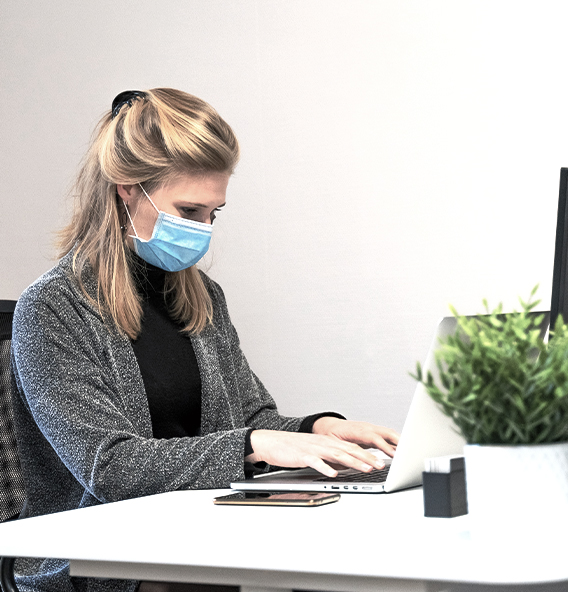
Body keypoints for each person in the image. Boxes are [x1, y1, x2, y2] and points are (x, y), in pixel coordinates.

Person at [10, 88, 400, 592]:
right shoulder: (53, 309)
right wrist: (256, 444)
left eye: (214, 213)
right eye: (190, 211)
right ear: (126, 189)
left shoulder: (202, 296)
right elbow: (109, 468)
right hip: (101, 563)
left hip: (195, 535)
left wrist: (319, 428)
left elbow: (251, 420)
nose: (204, 230)